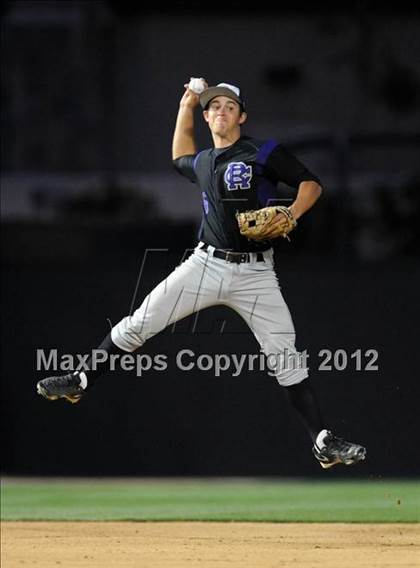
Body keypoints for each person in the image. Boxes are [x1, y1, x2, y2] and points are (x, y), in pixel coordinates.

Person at [37, 80, 366, 469]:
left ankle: (323, 443)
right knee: (139, 322)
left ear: (242, 116)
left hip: (256, 276)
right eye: (215, 107)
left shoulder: (263, 152)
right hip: (206, 264)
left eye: (230, 106)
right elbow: (180, 156)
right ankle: (80, 380)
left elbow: (312, 184)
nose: (222, 111)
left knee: (287, 358)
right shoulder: (205, 161)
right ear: (207, 116)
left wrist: (292, 213)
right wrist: (185, 106)